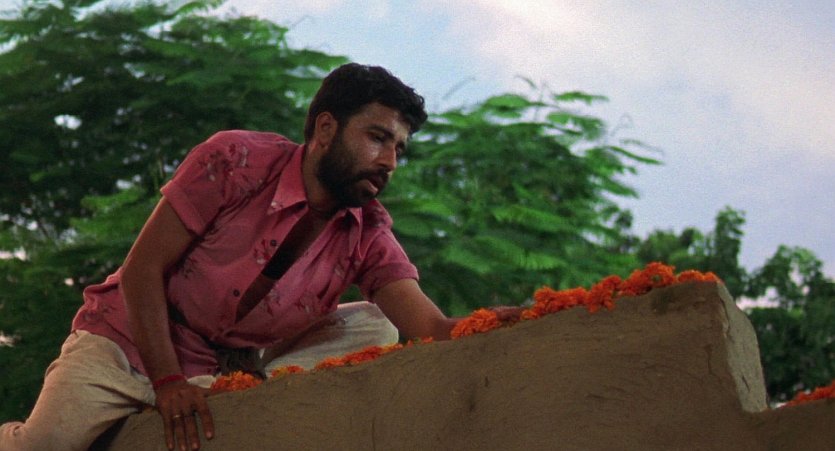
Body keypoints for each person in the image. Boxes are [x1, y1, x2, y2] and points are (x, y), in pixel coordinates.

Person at [0, 63, 520, 451]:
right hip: (127, 341)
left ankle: (256, 388)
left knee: (377, 324)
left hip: (224, 365)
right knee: (42, 447)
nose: (389, 161)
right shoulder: (235, 161)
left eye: (399, 149)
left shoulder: (368, 231)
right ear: (325, 130)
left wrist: (503, 322)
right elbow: (141, 271)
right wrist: (168, 383)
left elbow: (428, 327)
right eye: (378, 138)